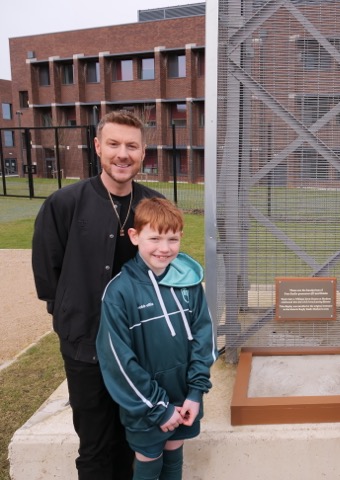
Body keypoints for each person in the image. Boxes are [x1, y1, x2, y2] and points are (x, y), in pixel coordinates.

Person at [32, 110, 164, 479]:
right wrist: (69, 319)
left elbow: (167, 266)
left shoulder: (152, 205)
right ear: (98, 147)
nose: (123, 154)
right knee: (94, 444)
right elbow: (48, 272)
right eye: (114, 144)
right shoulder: (65, 203)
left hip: (138, 348)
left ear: (143, 153)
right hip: (84, 345)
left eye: (132, 146)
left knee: (130, 438)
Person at [96, 197, 216, 480]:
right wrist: (158, 408)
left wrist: (195, 393)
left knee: (175, 453)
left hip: (185, 398)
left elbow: (204, 337)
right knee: (150, 459)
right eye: (156, 238)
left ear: (181, 238)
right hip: (145, 404)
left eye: (172, 239)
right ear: (135, 236)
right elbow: (118, 362)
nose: (164, 248)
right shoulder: (119, 293)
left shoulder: (189, 281)